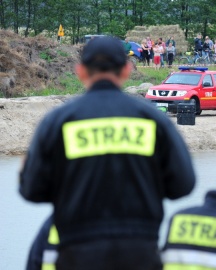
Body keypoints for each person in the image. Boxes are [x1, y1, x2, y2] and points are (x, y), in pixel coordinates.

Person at [19, 36, 196, 269]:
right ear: (126, 70)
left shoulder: (58, 121)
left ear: (81, 72)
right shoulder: (153, 119)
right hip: (140, 253)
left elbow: (31, 190)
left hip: (77, 253)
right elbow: (183, 185)